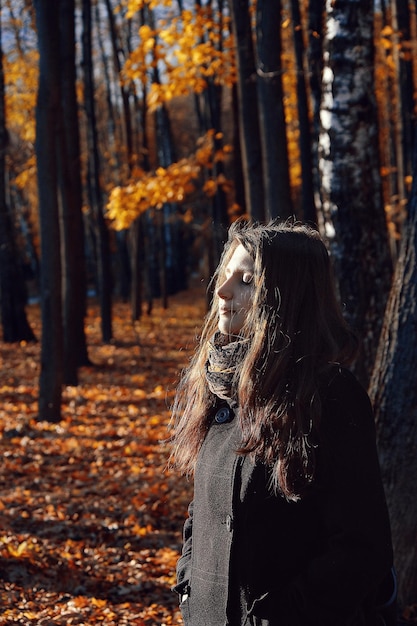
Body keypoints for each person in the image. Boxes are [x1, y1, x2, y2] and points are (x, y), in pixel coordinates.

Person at [170, 220, 394, 626]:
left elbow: (362, 546)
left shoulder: (328, 394)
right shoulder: (223, 386)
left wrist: (282, 616)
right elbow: (202, 509)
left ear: (285, 296)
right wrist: (189, 583)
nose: (222, 292)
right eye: (225, 276)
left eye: (246, 281)